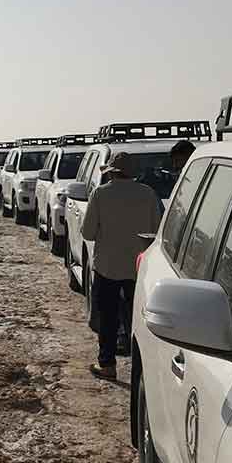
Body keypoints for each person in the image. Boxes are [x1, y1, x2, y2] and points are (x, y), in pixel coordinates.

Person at [81, 151, 163, 380]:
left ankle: (107, 365)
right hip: (139, 267)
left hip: (107, 267)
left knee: (108, 318)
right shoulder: (148, 194)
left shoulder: (100, 194)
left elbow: (87, 232)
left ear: (112, 173)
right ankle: (143, 372)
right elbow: (157, 231)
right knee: (137, 319)